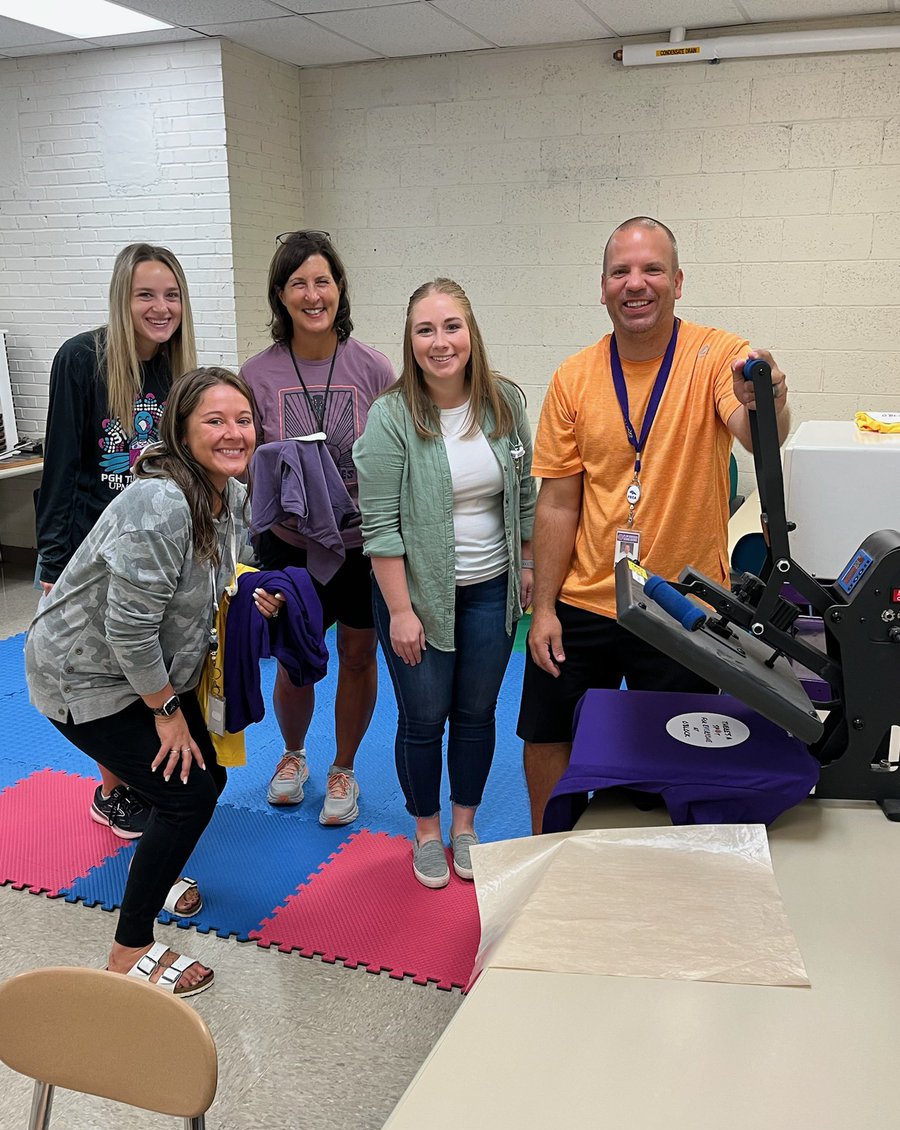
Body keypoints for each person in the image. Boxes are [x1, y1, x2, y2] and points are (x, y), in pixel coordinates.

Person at [518, 216, 791, 834]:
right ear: (603, 286)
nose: (635, 284)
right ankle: (550, 854)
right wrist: (544, 611)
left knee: (675, 759)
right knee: (544, 733)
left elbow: (755, 430)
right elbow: (558, 502)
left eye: (651, 270)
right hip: (586, 597)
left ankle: (668, 876)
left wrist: (770, 397)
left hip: (682, 605)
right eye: (621, 271)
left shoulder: (713, 354)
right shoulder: (573, 377)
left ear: (678, 281)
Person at [25, 367, 284, 996]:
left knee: (205, 779)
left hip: (148, 670)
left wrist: (251, 596)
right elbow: (130, 630)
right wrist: (167, 712)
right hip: (82, 676)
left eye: (242, 419)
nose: (233, 433)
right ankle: (128, 947)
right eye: (215, 421)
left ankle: (152, 858)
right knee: (186, 793)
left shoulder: (231, 494)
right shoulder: (159, 505)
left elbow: (222, 574)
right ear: (182, 432)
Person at [354, 279, 535, 888]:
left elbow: (525, 496)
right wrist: (401, 611)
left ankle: (464, 827)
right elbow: (378, 526)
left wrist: (529, 565)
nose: (440, 342)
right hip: (418, 597)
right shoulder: (392, 416)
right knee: (424, 717)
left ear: (471, 332)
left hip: (491, 590)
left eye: (451, 326)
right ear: (410, 341)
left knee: (477, 713)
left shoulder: (504, 403)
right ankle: (426, 830)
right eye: (425, 330)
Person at [36, 242, 197, 850]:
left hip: (154, 548)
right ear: (122, 298)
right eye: (146, 295)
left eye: (172, 295)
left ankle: (135, 778)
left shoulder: (176, 372)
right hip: (90, 549)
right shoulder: (82, 358)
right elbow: (60, 463)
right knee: (105, 674)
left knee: (146, 663)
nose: (161, 308)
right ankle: (113, 789)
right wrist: (54, 560)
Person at [241, 231, 394, 825]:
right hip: (288, 542)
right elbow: (240, 460)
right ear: (280, 296)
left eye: (322, 281)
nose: (312, 294)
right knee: (294, 657)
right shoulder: (256, 374)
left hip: (360, 545)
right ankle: (294, 755)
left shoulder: (373, 367)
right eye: (298, 283)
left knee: (358, 653)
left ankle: (344, 768)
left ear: (339, 289)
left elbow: (395, 454)